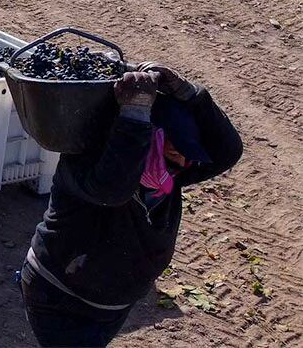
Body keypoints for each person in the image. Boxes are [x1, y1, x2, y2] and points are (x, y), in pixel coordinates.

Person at [20, 64, 242, 347]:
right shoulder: (87, 162)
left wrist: (192, 95)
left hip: (111, 305)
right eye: (175, 150)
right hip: (61, 297)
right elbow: (113, 190)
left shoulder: (165, 174)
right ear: (151, 135)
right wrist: (135, 116)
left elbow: (228, 151)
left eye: (188, 156)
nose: (184, 163)